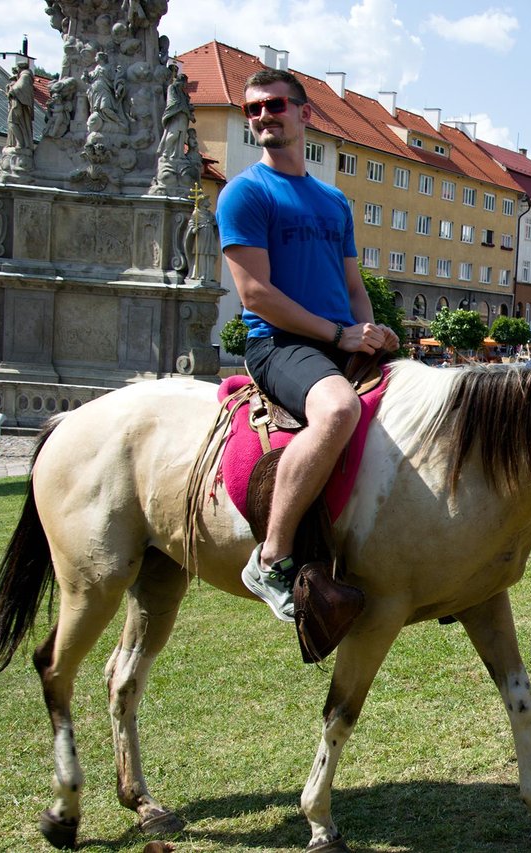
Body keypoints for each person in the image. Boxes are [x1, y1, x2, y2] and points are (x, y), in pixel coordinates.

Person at [217, 68, 398, 622]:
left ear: (304, 114)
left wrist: (370, 333)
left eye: (274, 105)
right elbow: (255, 295)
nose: (264, 116)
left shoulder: (334, 202)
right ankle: (272, 559)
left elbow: (352, 288)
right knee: (340, 408)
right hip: (280, 345)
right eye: (254, 110)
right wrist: (338, 333)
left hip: (337, 341)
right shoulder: (244, 193)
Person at [6, 62, 35, 150]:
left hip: (18, 105)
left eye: (17, 68)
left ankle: (21, 143)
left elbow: (20, 87)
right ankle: (19, 142)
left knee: (13, 122)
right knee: (16, 123)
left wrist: (12, 90)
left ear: (20, 68)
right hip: (17, 103)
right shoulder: (24, 76)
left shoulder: (25, 76)